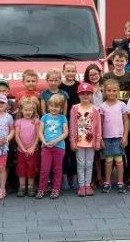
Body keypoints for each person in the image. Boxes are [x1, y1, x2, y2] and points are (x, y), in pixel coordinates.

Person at [69, 83, 102, 197]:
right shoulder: (74, 108)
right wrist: (72, 140)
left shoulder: (95, 109)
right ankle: (81, 185)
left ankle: (87, 184)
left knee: (89, 163)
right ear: (79, 95)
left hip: (91, 142)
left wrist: (98, 140)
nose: (85, 96)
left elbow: (98, 127)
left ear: (91, 95)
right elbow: (72, 125)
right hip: (79, 141)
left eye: (88, 94)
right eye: (82, 94)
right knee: (80, 163)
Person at [98, 78, 130, 193]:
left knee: (119, 159)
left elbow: (126, 121)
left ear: (118, 91)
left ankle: (120, 182)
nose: (111, 93)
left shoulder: (122, 105)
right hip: (106, 137)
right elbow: (100, 123)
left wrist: (125, 136)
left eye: (114, 90)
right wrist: (100, 138)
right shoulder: (102, 106)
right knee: (108, 160)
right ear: (105, 91)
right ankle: (107, 182)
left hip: (119, 137)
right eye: (109, 90)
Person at [37, 94, 69, 199]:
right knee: (44, 169)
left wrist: (55, 141)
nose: (54, 108)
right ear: (48, 105)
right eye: (51, 105)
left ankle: (56, 189)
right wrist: (44, 142)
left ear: (61, 108)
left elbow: (65, 133)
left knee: (57, 169)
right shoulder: (44, 117)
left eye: (57, 106)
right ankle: (42, 189)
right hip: (46, 147)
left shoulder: (62, 118)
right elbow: (40, 132)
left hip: (59, 147)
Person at [59, 62, 81, 190]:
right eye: (68, 71)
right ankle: (65, 178)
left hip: (77, 123)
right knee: (64, 152)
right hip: (63, 122)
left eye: (73, 71)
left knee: (74, 152)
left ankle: (75, 178)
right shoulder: (60, 87)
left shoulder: (79, 86)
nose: (71, 73)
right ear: (64, 72)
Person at [14, 98, 40, 197]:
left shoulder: (36, 121)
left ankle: (30, 186)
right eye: (26, 110)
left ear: (33, 110)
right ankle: (22, 187)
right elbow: (16, 136)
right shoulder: (18, 122)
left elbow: (38, 135)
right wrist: (22, 148)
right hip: (21, 150)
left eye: (30, 110)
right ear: (21, 110)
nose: (28, 112)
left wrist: (33, 147)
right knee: (21, 168)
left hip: (33, 150)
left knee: (31, 168)